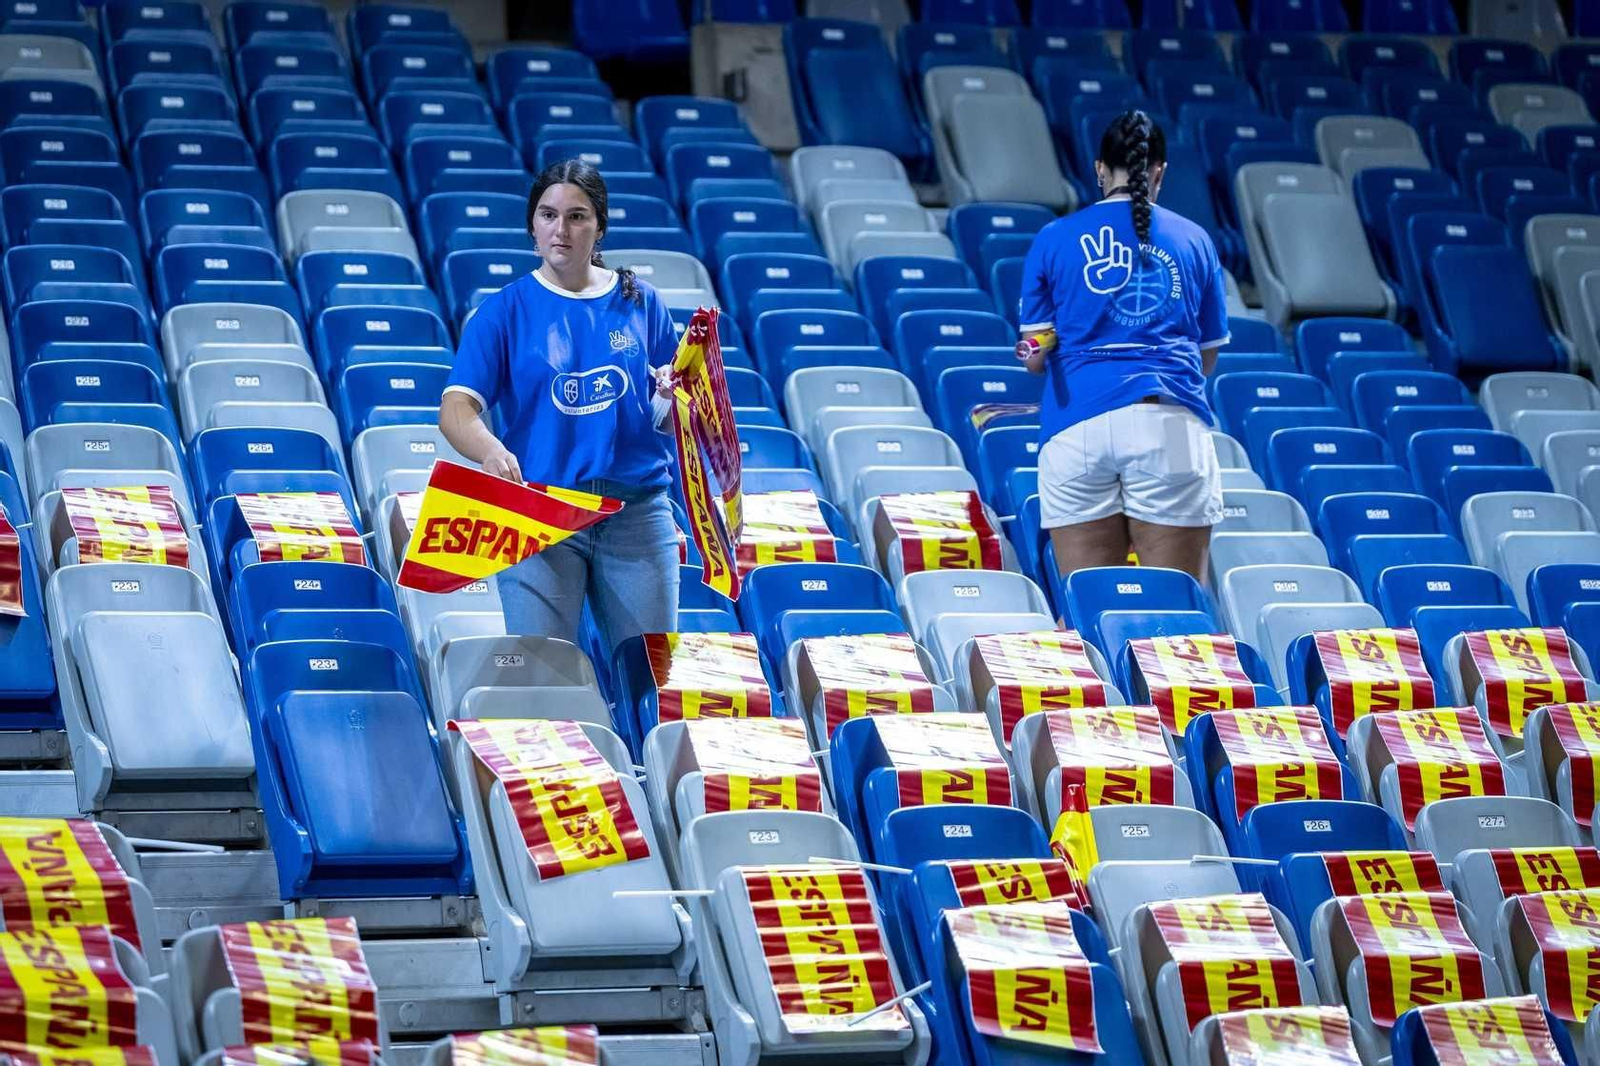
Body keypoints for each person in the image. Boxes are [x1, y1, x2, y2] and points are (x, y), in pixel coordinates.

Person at [439, 158, 681, 649]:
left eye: (577, 216)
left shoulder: (644, 303)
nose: (561, 229)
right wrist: (488, 449)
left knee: (654, 683)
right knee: (546, 682)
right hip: (540, 513)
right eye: (548, 215)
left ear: (599, 226)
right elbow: (456, 410)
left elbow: (676, 411)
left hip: (636, 513)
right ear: (532, 224)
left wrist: (677, 406)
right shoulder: (504, 309)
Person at [1017, 109, 1229, 582]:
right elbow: (1206, 357)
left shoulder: (1054, 238)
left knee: (1093, 607)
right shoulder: (1195, 240)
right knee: (1175, 609)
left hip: (1077, 430)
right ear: (1160, 172)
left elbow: (1033, 356)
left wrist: (1037, 347)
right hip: (1170, 423)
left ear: (1098, 169)